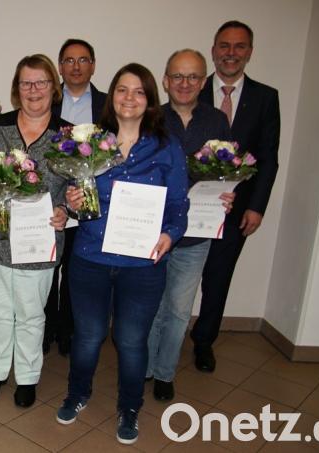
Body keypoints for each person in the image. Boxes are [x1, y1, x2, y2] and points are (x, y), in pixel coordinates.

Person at [56, 63, 189, 446]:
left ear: (150, 101)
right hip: (90, 257)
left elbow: (179, 205)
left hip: (142, 264)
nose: (129, 98)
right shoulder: (89, 143)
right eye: (122, 90)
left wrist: (170, 234)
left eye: (139, 92)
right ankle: (78, 393)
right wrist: (72, 199)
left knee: (132, 340)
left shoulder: (166, 147)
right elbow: (77, 199)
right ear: (111, 97)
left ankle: (130, 407)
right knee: (88, 335)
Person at [0, 54, 69, 408]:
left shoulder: (67, 135)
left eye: (41, 82)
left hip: (39, 240)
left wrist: (65, 210)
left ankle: (27, 377)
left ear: (52, 87)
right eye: (26, 83)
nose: (33, 90)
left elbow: (78, 187)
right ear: (17, 89)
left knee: (30, 313)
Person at [146, 49, 234, 402]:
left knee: (180, 309)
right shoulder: (150, 119)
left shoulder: (217, 122)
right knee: (150, 305)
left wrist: (228, 194)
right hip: (153, 230)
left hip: (195, 234)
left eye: (193, 77)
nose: (185, 83)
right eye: (177, 76)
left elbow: (227, 171)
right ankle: (146, 368)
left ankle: (165, 372)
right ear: (165, 80)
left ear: (203, 81)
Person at [193, 21, 280, 373]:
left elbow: (268, 156)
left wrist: (257, 207)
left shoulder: (265, 97)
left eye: (239, 46)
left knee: (218, 277)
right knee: (179, 278)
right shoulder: (192, 91)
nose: (231, 53)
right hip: (191, 207)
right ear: (213, 49)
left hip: (235, 210)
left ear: (250, 52)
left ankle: (203, 342)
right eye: (224, 46)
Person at [46, 38, 109, 357]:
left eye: (83, 60)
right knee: (45, 264)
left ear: (93, 65)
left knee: (74, 269)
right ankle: (45, 329)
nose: (75, 66)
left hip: (87, 198)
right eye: (69, 60)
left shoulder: (107, 104)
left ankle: (67, 329)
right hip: (51, 195)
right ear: (60, 66)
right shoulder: (46, 97)